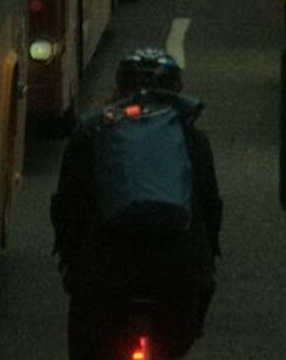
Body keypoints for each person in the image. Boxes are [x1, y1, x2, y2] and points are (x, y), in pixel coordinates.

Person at [53, 49, 223, 359]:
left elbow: (67, 203)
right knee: (176, 339)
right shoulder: (192, 139)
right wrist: (206, 257)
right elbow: (210, 204)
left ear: (118, 89)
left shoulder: (91, 134)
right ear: (176, 90)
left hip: (104, 272)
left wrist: (70, 257)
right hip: (175, 273)